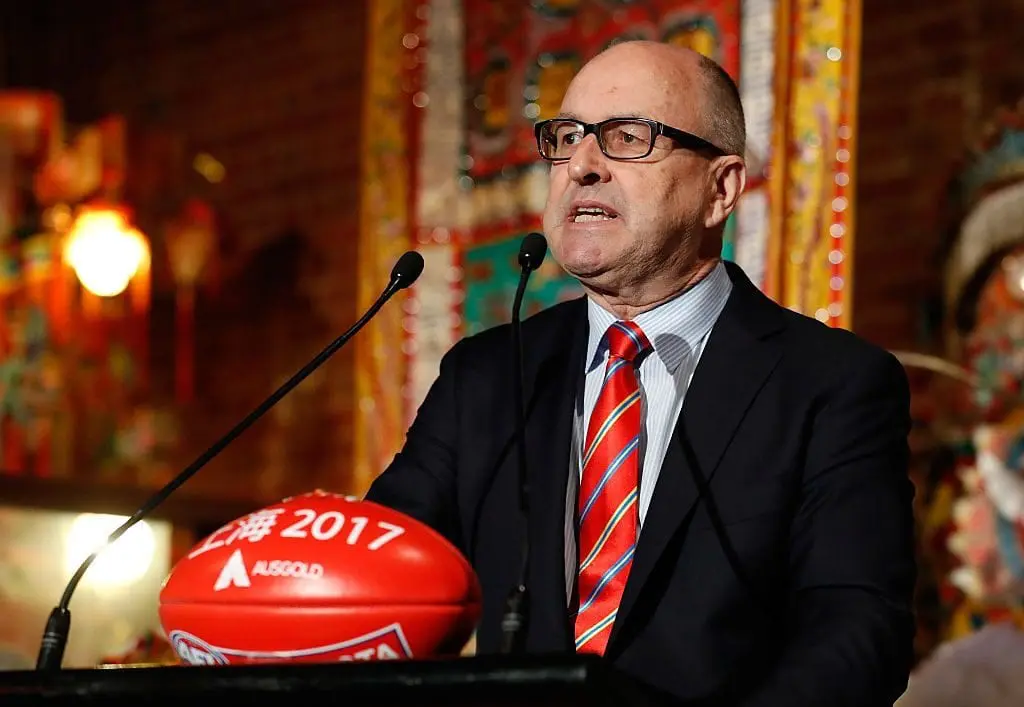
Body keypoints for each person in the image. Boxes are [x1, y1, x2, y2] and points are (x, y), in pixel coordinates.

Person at [366, 40, 916, 706]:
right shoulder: (485, 377)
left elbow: (858, 632)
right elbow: (376, 585)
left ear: (721, 189)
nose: (582, 166)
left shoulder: (830, 384)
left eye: (628, 137)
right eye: (566, 137)